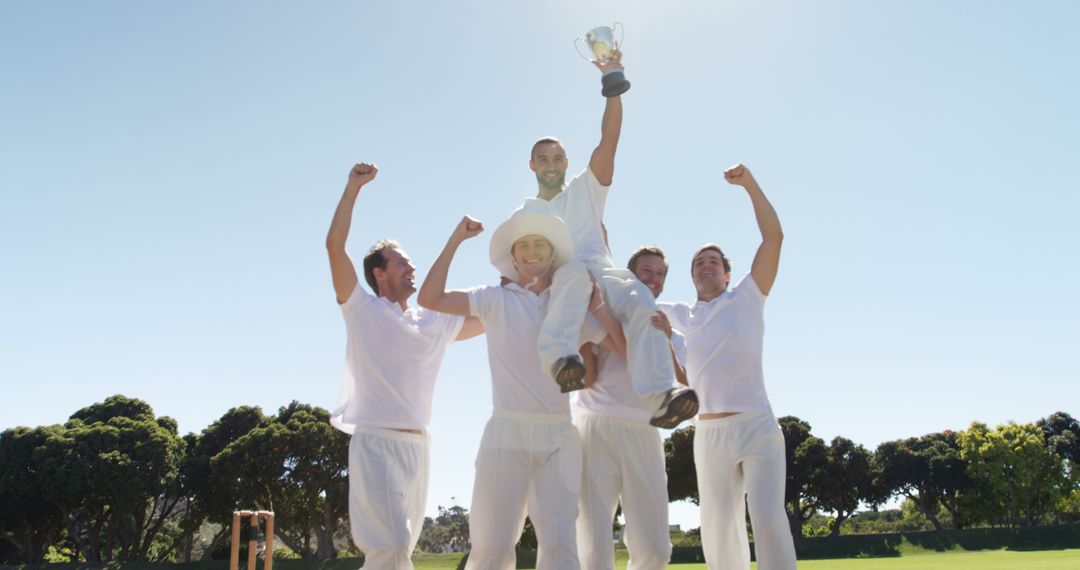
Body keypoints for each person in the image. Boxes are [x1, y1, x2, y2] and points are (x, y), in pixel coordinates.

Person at [418, 213, 625, 570]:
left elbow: (625, 351)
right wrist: (455, 239)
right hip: (506, 432)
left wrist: (600, 309)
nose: (531, 252)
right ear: (512, 258)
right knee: (492, 547)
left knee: (561, 546)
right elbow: (430, 298)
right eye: (523, 246)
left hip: (560, 435)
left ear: (552, 254)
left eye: (539, 244)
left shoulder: (571, 309)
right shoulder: (494, 299)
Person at [511, 49, 696, 428]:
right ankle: (561, 360)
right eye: (542, 159)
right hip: (564, 285)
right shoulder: (525, 214)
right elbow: (516, 265)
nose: (550, 165)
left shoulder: (585, 188)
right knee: (574, 273)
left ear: (566, 162)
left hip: (605, 274)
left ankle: (663, 394)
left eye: (557, 158)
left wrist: (612, 81)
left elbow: (608, 139)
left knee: (641, 298)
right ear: (532, 166)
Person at [325, 163, 483, 570]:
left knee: (397, 556)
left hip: (419, 448)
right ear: (379, 274)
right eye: (401, 263)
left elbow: (496, 316)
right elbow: (334, 247)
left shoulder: (434, 322)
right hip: (375, 443)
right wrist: (352, 189)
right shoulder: (361, 310)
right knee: (391, 548)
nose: (410, 267)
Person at [658, 164, 797, 570]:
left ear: (728, 273)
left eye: (714, 261)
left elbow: (774, 237)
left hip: (756, 425)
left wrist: (750, 184)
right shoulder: (680, 314)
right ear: (691, 276)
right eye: (699, 262)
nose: (706, 266)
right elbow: (631, 302)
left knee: (769, 519)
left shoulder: (748, 296)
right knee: (717, 527)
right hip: (710, 431)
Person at [575, 246, 687, 570]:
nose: (653, 279)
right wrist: (594, 321)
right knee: (593, 549)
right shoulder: (600, 316)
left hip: (645, 431)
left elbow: (684, 386)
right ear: (630, 278)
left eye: (660, 273)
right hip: (596, 424)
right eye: (646, 271)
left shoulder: (673, 336)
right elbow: (589, 378)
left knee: (654, 548)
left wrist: (664, 340)